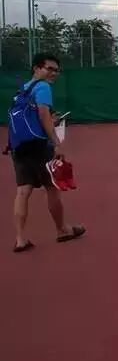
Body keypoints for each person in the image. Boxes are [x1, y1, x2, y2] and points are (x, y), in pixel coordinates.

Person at [7, 53, 85, 252]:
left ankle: (20, 239)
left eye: (56, 70)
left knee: (23, 191)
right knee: (52, 188)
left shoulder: (23, 89)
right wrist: (56, 142)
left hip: (19, 146)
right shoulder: (43, 87)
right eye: (49, 68)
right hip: (39, 146)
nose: (53, 73)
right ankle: (62, 230)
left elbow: (36, 116)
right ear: (36, 68)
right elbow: (43, 115)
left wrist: (51, 118)